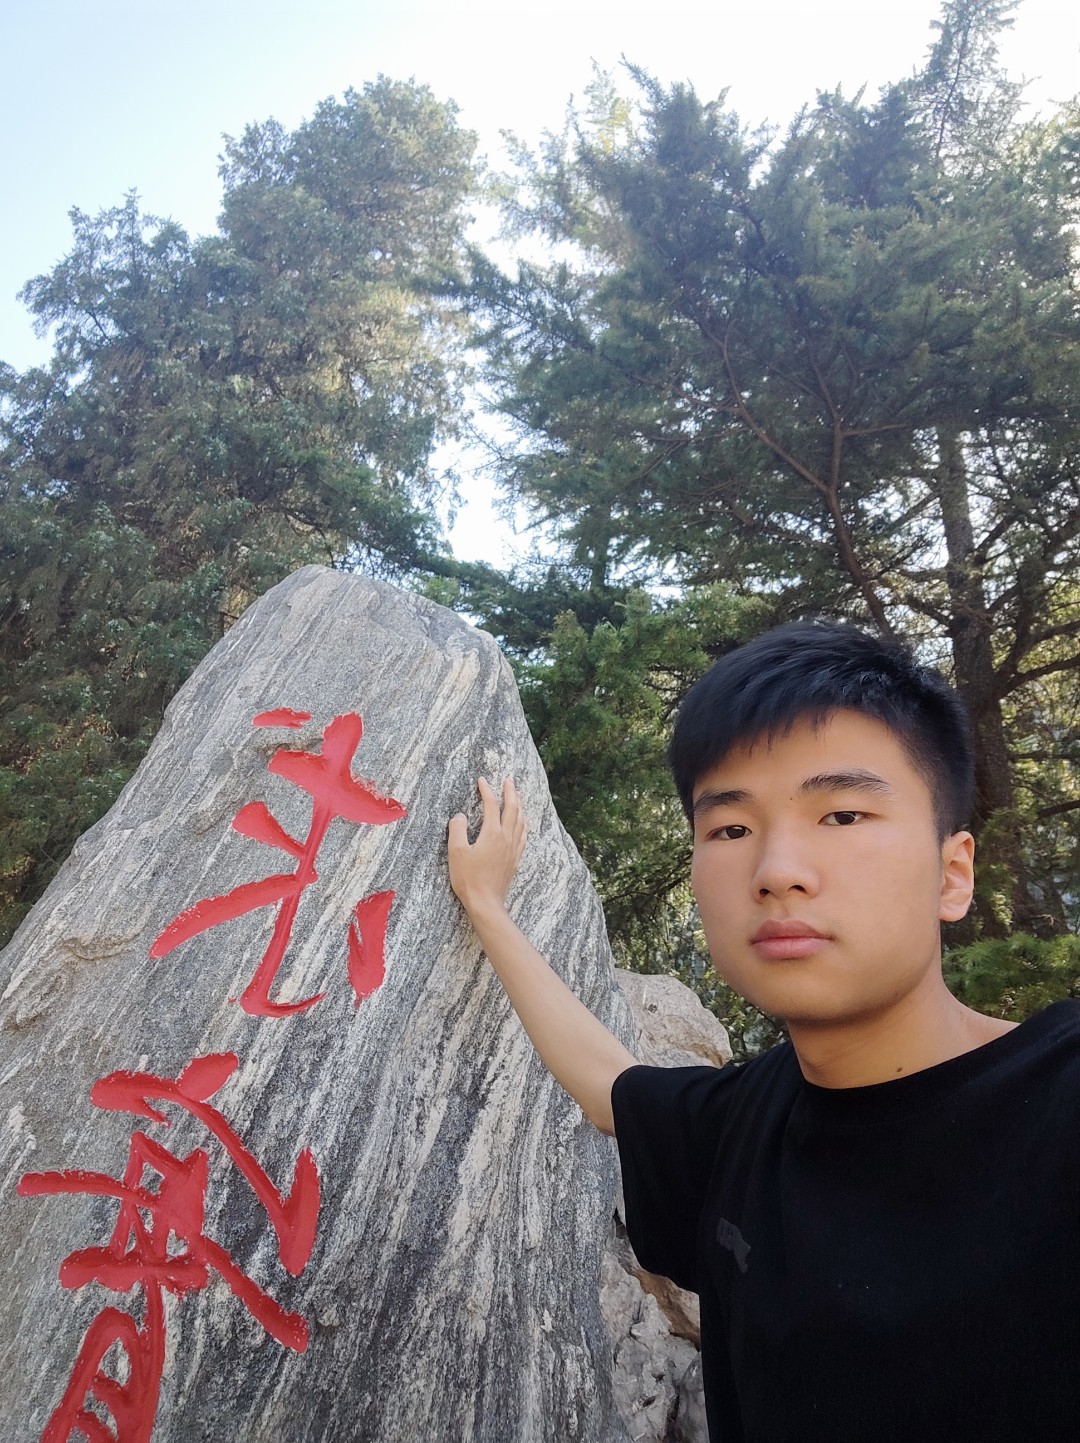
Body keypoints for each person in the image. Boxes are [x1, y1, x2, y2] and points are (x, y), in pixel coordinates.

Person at [447, 620, 1080, 1443]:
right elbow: (608, 1087)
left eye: (842, 814)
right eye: (731, 828)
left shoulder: (1058, 1105)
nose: (778, 869)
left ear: (952, 873)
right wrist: (487, 907)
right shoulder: (746, 1123)